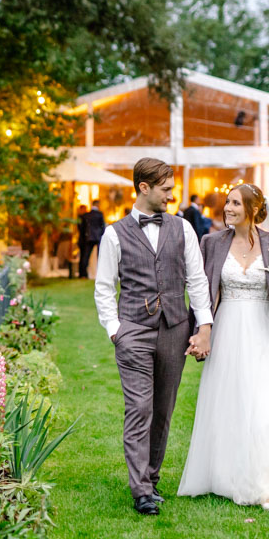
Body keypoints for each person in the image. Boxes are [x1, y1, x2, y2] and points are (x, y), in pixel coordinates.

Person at [178, 183, 269, 512]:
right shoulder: (211, 243)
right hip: (227, 334)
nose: (226, 208)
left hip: (265, 336)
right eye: (226, 202)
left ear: (253, 210)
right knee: (230, 405)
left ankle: (266, 485)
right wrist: (199, 333)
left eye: (234, 203)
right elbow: (200, 294)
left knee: (264, 407)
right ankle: (226, 477)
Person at [93, 158, 213, 516]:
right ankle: (141, 490)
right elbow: (103, 287)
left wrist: (202, 325)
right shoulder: (114, 234)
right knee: (139, 408)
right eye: (165, 189)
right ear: (143, 187)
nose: (171, 194)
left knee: (163, 409)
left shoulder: (184, 229)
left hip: (175, 328)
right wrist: (115, 329)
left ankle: (152, 477)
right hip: (133, 331)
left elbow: (197, 280)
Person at [78, 201, 106, 279]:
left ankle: (83, 274)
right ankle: (102, 274)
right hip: (98, 237)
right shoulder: (100, 214)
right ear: (98, 204)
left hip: (88, 237)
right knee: (100, 256)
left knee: (86, 256)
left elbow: (82, 228)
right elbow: (102, 226)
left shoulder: (86, 215)